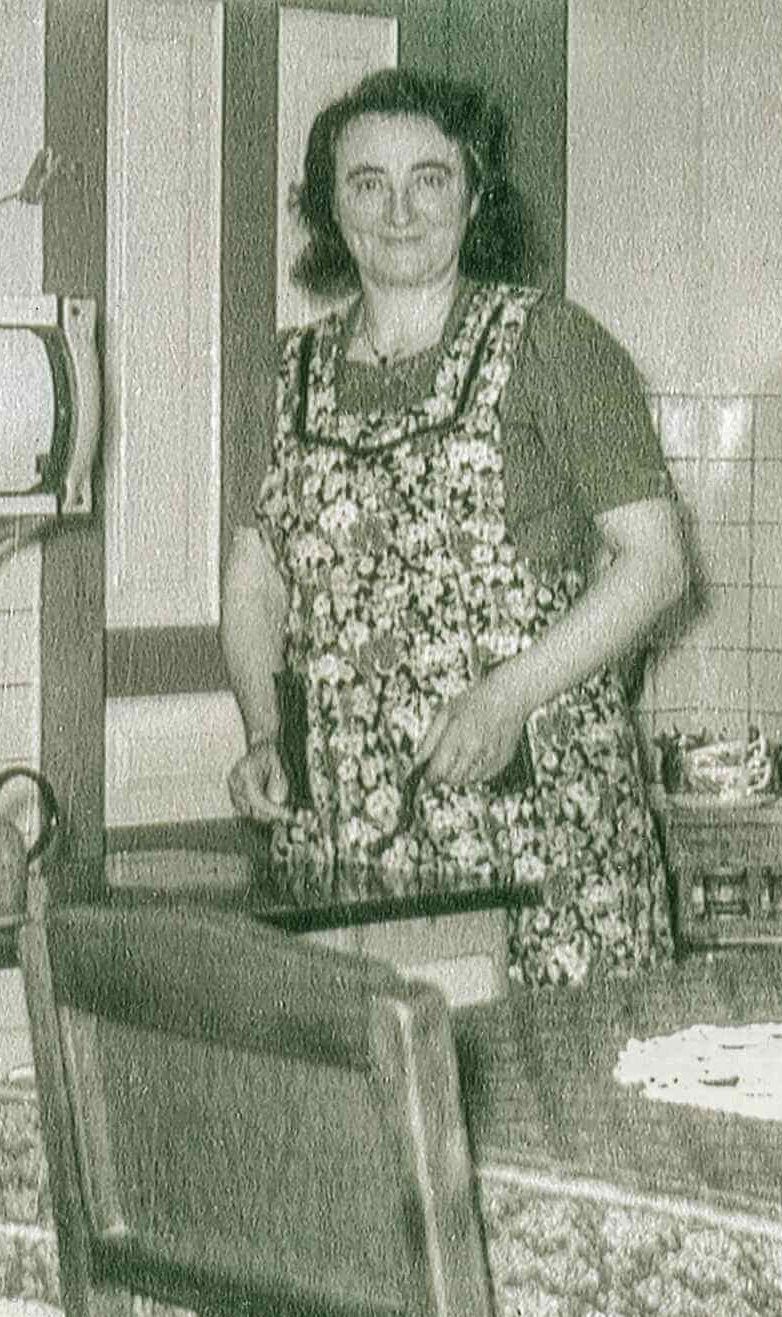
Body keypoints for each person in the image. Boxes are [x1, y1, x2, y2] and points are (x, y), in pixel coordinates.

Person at [221, 67, 687, 987]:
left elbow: (658, 563)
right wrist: (267, 733)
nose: (399, 209)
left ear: (473, 196)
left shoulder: (551, 343)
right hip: (350, 847)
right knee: (382, 1104)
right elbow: (256, 580)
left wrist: (505, 698)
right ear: (329, 207)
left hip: (538, 828)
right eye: (367, 183)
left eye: (428, 178)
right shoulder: (287, 370)